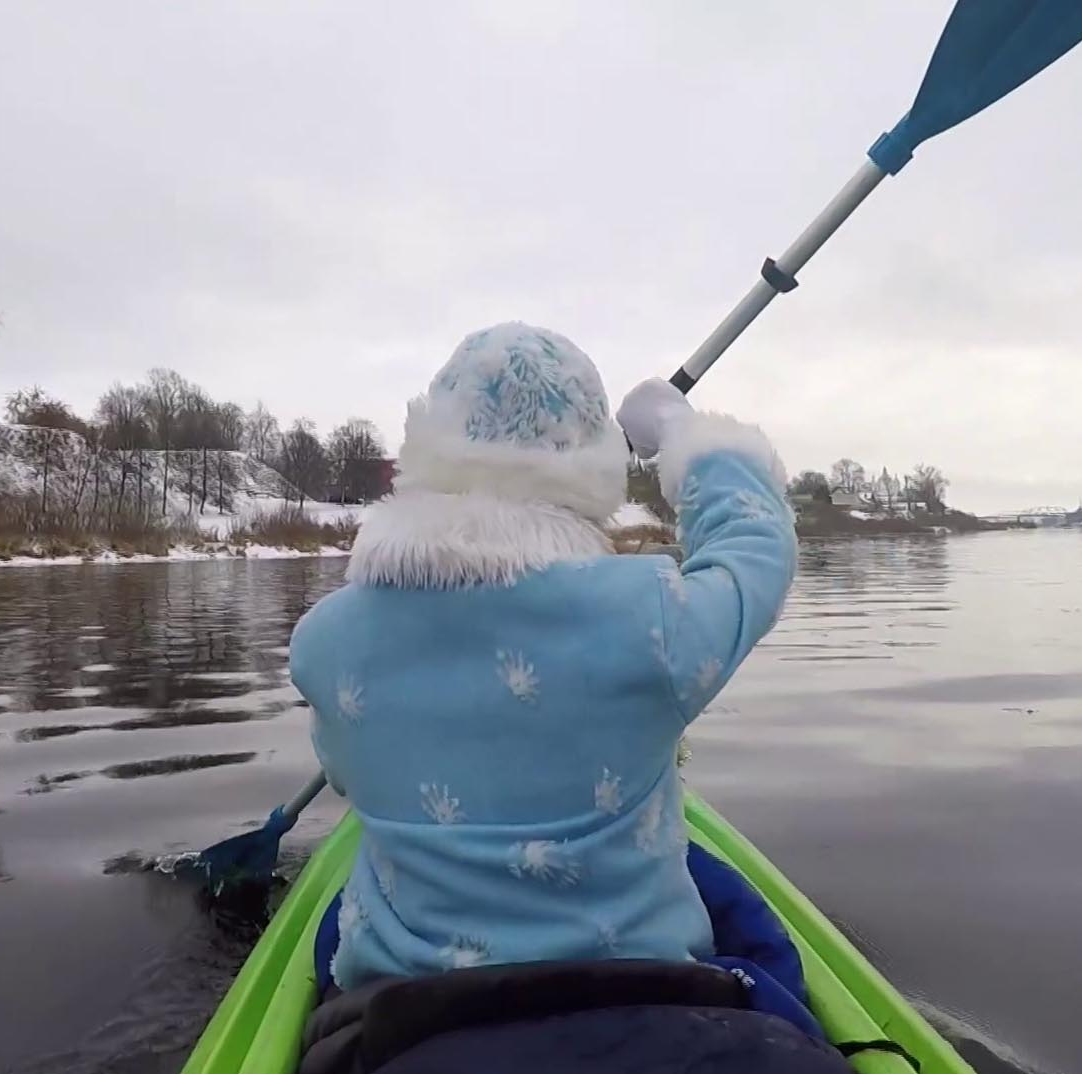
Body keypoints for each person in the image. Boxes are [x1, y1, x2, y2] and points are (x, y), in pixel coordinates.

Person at [288, 324, 830, 1070]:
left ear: (427, 449)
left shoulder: (325, 642)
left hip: (406, 1013)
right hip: (647, 991)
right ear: (592, 470)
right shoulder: (654, 619)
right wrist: (683, 433)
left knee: (335, 926)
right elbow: (755, 550)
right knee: (736, 911)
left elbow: (346, 774)